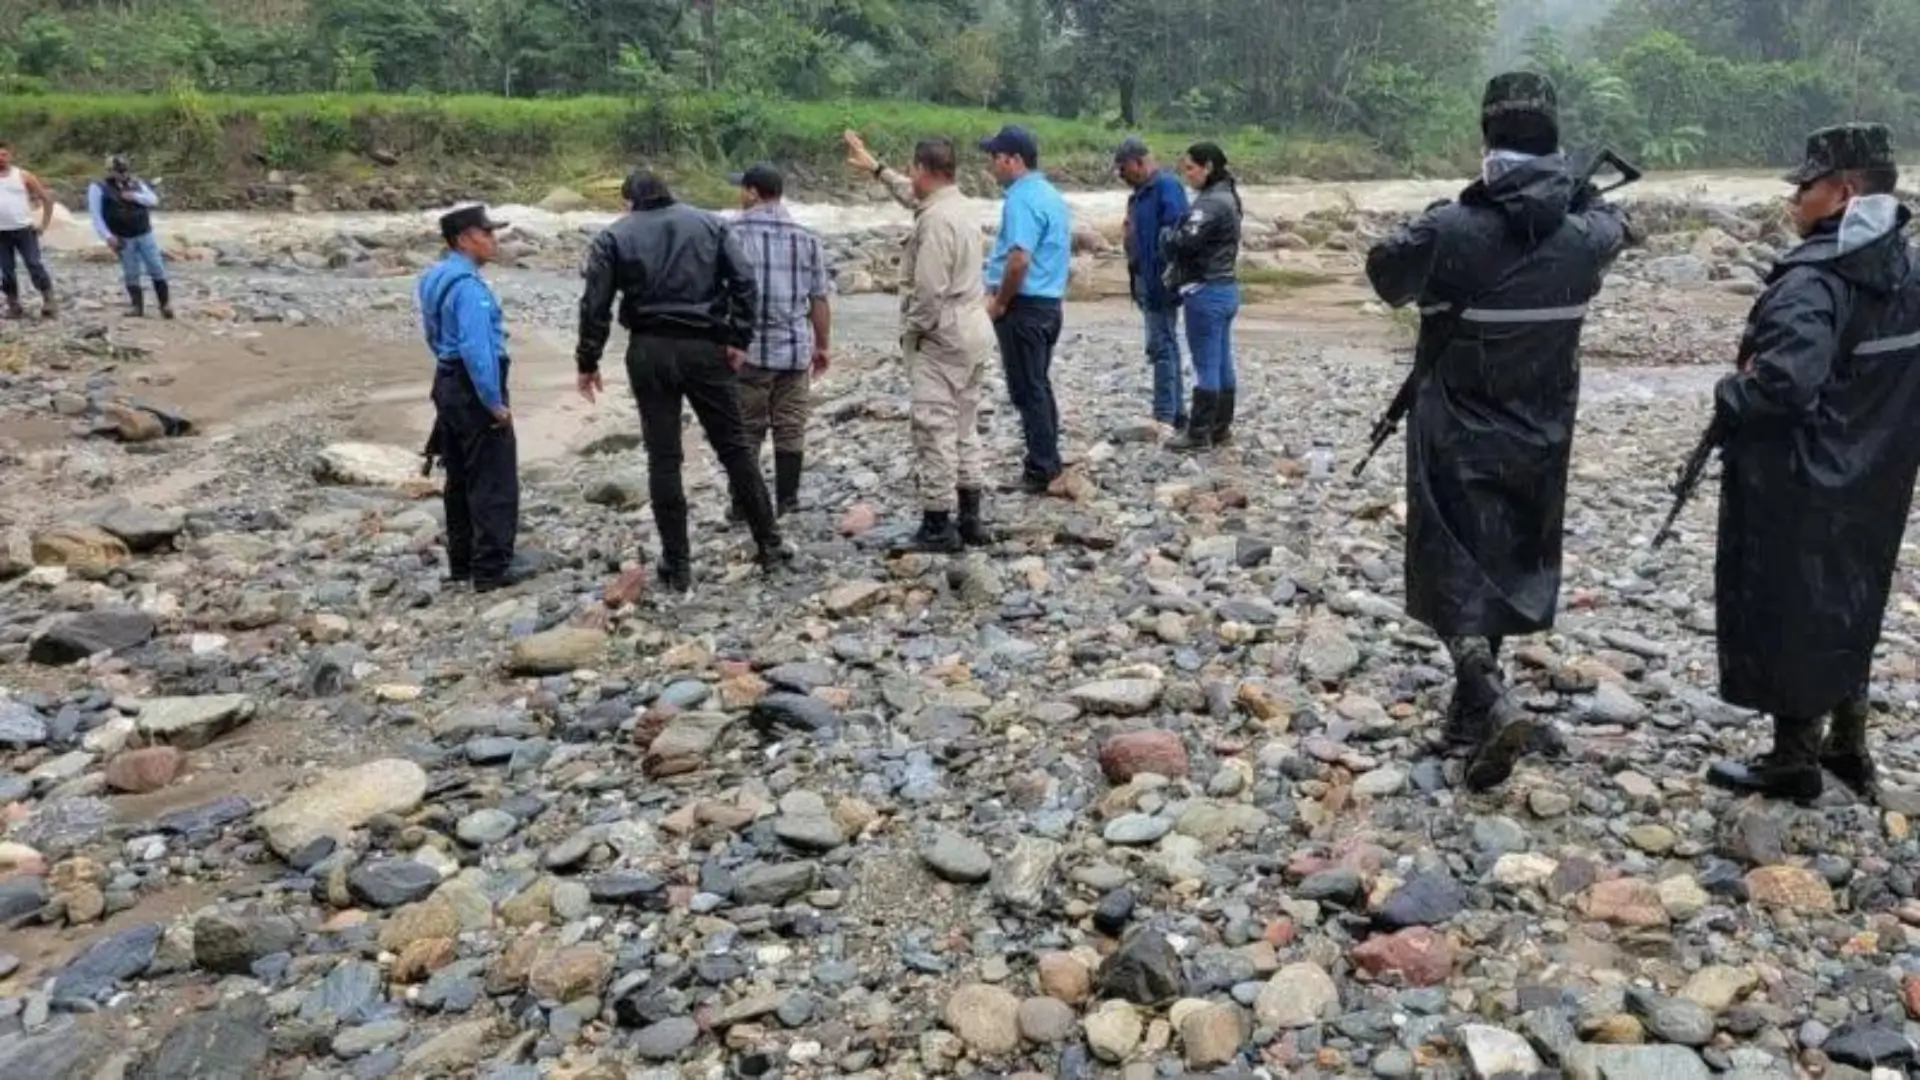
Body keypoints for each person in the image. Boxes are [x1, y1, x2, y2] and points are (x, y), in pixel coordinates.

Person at [1364, 72, 1630, 792]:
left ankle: (1489, 696)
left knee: (1448, 566)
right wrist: (1578, 196)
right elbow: (1616, 226)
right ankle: (1467, 718)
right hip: (1542, 429)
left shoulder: (1450, 230)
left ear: (1486, 140)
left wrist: (1439, 214)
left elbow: (1385, 275)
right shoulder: (1585, 236)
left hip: (1456, 425)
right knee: (1511, 562)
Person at [1704, 123, 1920, 804]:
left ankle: (1794, 757)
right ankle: (1849, 747)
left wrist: (1730, 391)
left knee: (1789, 603)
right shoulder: (1910, 269)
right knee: (1854, 594)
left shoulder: (1810, 281)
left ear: (1843, 192)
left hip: (1799, 477)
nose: (1793, 198)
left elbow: (1782, 388)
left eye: (1805, 186)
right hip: (1880, 471)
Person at [575, 169, 792, 593]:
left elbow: (595, 303)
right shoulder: (711, 224)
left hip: (649, 348)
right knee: (734, 447)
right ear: (668, 192)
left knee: (663, 456)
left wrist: (588, 360)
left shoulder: (614, 236)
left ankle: (677, 564)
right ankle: (769, 543)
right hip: (705, 347)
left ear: (630, 201)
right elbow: (745, 281)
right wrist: (739, 337)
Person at [844, 130, 995, 552]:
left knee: (934, 427)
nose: (908, 176)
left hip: (943, 334)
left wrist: (912, 333)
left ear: (924, 169)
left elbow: (929, 291)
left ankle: (937, 524)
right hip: (973, 327)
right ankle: (970, 518)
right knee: (964, 425)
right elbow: (913, 198)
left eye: (911, 169)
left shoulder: (936, 220)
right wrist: (876, 168)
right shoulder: (959, 206)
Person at [418, 204, 528, 593]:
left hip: (446, 381)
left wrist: (449, 372)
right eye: (487, 233)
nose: (494, 240)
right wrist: (494, 403)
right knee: (493, 478)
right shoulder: (469, 288)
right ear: (464, 239)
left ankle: (462, 564)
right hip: (472, 387)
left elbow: (432, 333)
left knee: (459, 477)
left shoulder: (434, 277)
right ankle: (491, 569)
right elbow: (477, 350)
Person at [725, 163, 833, 520]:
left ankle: (743, 505)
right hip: (795, 350)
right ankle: (788, 501)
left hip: (748, 351)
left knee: (747, 429)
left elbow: (720, 293)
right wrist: (822, 346)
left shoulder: (731, 233)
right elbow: (818, 298)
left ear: (753, 192)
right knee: (790, 427)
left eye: (743, 189)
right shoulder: (807, 236)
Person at [979, 125, 1073, 494]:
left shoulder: (1021, 198)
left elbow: (1019, 259)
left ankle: (1041, 468)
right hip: (1049, 304)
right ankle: (1048, 460)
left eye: (995, 158)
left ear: (1014, 160)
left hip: (1024, 305)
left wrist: (1000, 302)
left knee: (1027, 388)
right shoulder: (1050, 194)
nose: (991, 165)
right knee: (1039, 384)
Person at [1161, 142, 1243, 452]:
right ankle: (1221, 428)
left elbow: (1184, 242)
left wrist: (1166, 236)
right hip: (1227, 287)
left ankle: (1198, 434)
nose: (1187, 175)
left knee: (1206, 364)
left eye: (1190, 168)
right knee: (1222, 361)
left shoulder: (1210, 203)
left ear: (1207, 167)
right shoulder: (1229, 196)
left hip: (1205, 290)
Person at [1117, 137, 1190, 433]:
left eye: (1123, 169)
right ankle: (1176, 412)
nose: (1121, 175)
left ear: (1139, 163)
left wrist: (1167, 273)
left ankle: (1165, 415)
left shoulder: (1166, 187)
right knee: (1164, 344)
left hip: (1161, 281)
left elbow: (1177, 232)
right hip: (1145, 279)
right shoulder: (1138, 195)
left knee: (1161, 346)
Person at [88, 155, 171, 319]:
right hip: (122, 237)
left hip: (144, 232)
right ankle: (136, 307)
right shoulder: (98, 188)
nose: (123, 174)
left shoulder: (136, 183)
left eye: (124, 171)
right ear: (110, 171)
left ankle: (165, 305)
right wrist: (107, 237)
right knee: (131, 271)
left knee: (156, 267)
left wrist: (134, 196)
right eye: (119, 171)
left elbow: (153, 200)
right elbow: (96, 216)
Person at [0, 141, 55, 319]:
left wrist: (44, 224)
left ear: (10, 156)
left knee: (34, 263)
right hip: (1, 233)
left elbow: (46, 198)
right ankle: (13, 305)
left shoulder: (23, 175)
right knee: (6, 270)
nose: (1, 159)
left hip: (24, 230)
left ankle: (49, 299)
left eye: (4, 155)